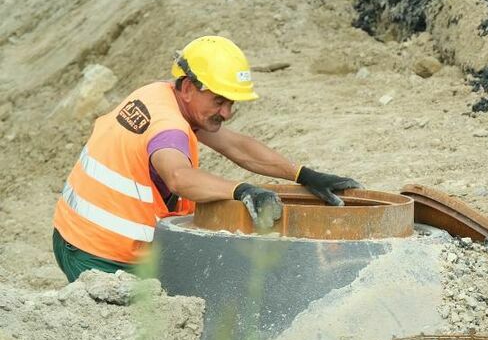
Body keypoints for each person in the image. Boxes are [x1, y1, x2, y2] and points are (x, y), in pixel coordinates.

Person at [51, 35, 360, 282]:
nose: (226, 112)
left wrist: (303, 175)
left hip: (75, 234)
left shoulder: (161, 96)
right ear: (188, 87)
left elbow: (236, 146)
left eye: (231, 103)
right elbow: (179, 177)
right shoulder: (168, 128)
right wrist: (242, 191)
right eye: (218, 101)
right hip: (101, 255)